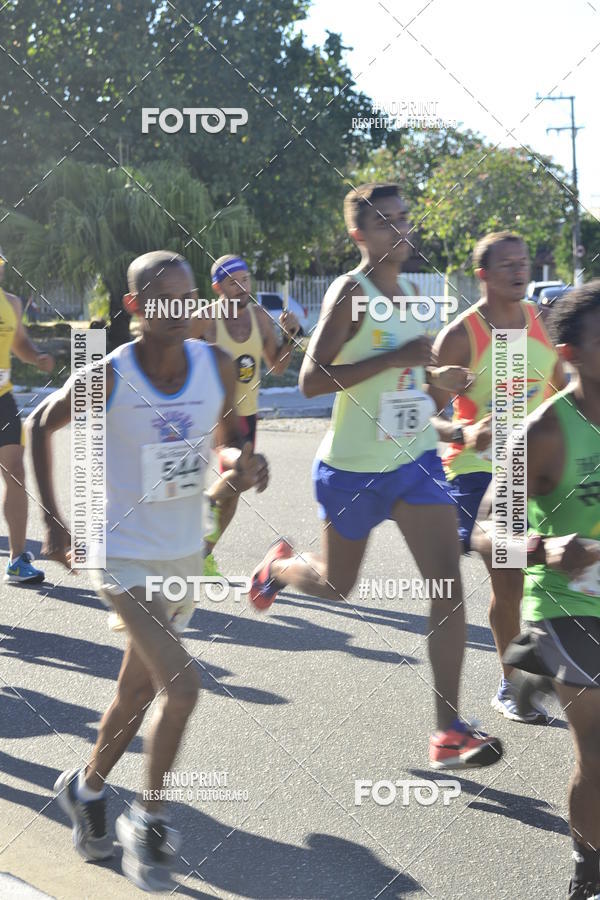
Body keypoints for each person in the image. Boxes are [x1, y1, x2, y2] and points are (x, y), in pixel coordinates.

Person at [27, 251, 268, 892]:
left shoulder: (212, 364)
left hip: (181, 551)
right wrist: (52, 523)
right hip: (119, 552)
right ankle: (150, 821)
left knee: (136, 693)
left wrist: (240, 465)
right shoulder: (109, 374)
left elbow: (223, 442)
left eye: (189, 298)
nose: (182, 310)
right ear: (135, 307)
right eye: (166, 299)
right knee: (182, 687)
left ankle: (86, 787)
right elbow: (37, 425)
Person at [250, 183, 503, 769]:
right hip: (351, 469)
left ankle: (449, 731)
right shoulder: (349, 292)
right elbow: (311, 381)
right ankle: (278, 568)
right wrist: (392, 358)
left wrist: (441, 385)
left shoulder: (417, 293)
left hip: (414, 463)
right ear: (360, 234)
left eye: (405, 219)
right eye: (387, 223)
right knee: (338, 583)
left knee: (446, 586)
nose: (402, 230)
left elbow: (409, 385)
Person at [472, 281, 600, 899]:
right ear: (571, 353)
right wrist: (545, 548)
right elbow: (486, 531)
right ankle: (589, 872)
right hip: (569, 605)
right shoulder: (545, 430)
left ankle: (527, 668)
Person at [427, 232, 568, 722]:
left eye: (523, 262)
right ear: (482, 274)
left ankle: (543, 664)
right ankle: (511, 686)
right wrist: (464, 432)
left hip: (536, 465)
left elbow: (561, 393)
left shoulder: (543, 324)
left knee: (561, 571)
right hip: (479, 472)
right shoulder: (461, 336)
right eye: (506, 264)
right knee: (511, 583)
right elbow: (422, 415)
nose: (518, 270)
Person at [188, 255, 299, 577]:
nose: (242, 288)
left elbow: (277, 366)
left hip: (247, 414)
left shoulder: (261, 318)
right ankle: (203, 509)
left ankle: (203, 553)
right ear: (218, 287)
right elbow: (174, 357)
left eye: (246, 280)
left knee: (237, 488)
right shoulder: (203, 320)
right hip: (213, 414)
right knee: (244, 469)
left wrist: (289, 337)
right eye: (233, 282)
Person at [0, 246, 54, 584]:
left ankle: (18, 559)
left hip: (2, 399)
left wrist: (36, 357)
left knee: (16, 471)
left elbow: (18, 342)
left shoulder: (12, 303)